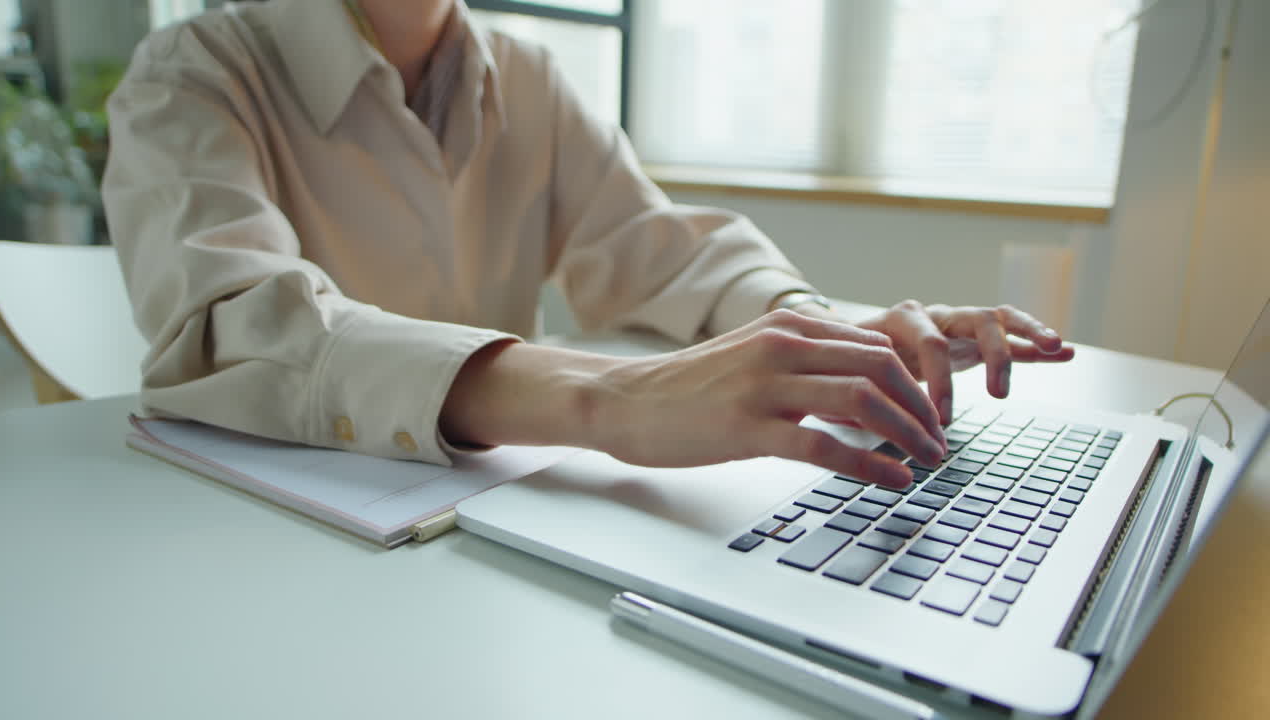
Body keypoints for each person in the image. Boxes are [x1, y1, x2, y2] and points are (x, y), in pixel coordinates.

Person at [102, 0, 1073, 491]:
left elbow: (664, 251)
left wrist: (820, 334)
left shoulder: (526, 75)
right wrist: (606, 399)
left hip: (481, 521)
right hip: (261, 548)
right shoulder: (192, 71)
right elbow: (228, 322)